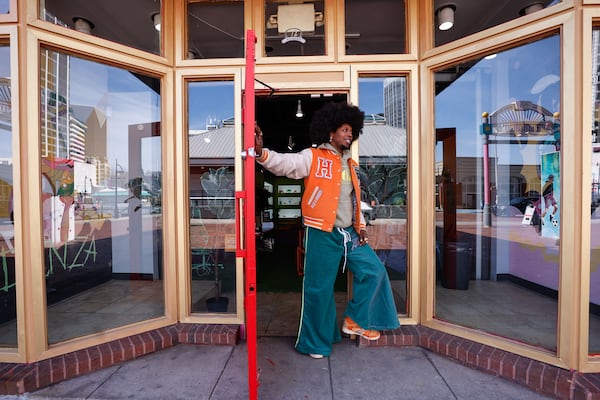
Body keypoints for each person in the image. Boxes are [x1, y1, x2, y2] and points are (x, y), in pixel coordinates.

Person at [254, 101, 400, 359]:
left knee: (375, 271)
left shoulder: (352, 164)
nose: (349, 134)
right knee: (319, 289)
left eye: (351, 130)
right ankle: (315, 344)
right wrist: (261, 153)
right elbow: (287, 164)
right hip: (321, 232)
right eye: (344, 129)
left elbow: (355, 200)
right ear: (330, 132)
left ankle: (355, 321)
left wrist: (361, 226)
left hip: (350, 234)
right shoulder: (313, 156)